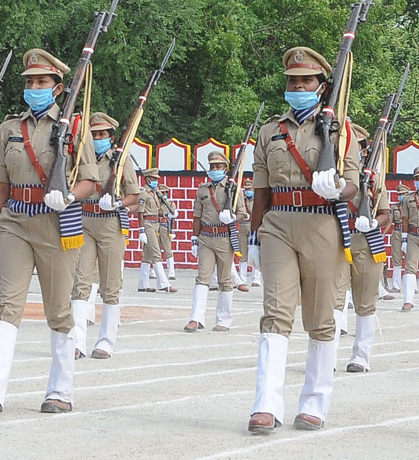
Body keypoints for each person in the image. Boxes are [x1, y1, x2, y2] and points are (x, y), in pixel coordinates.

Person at [0, 48, 98, 415]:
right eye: (30, 82)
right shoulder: (9, 128)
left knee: (58, 310)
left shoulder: (73, 128)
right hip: (15, 222)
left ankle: (61, 390)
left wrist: (67, 196)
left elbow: (91, 181)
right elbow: (0, 186)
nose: (34, 87)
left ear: (58, 87)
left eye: (42, 81)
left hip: (56, 225)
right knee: (8, 303)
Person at [247, 46, 362, 434]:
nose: (297, 86)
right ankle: (265, 404)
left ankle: (314, 403)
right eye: (292, 81)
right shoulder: (269, 131)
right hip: (278, 223)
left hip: (322, 224)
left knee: (320, 318)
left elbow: (354, 187)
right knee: (275, 313)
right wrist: (254, 233)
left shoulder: (340, 129)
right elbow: (261, 189)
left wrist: (337, 187)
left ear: (321, 85)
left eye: (306, 81)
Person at [70, 112, 139, 358]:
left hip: (110, 223)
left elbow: (135, 195)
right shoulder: (80, 157)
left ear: (111, 137)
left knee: (110, 285)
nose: (98, 138)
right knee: (81, 283)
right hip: (84, 221)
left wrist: (118, 203)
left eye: (102, 134)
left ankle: (106, 341)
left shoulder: (121, 161)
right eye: (94, 134)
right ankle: (77, 341)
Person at [340, 124, 390, 372]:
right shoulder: (332, 174)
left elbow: (386, 214)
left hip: (365, 242)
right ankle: (326, 354)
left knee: (365, 302)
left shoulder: (373, 179)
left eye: (357, 147)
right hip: (335, 240)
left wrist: (372, 222)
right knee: (332, 300)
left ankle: (361, 355)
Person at [184, 152, 244, 333]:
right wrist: (194, 238)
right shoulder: (203, 189)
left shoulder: (234, 189)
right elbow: (197, 216)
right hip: (206, 237)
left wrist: (233, 217)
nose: (215, 169)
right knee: (202, 277)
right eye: (212, 166)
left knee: (225, 280)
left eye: (219, 166)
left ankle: (224, 319)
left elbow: (243, 212)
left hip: (224, 237)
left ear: (226, 169)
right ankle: (196, 318)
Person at [136, 170, 176, 293]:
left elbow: (156, 210)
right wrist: (141, 229)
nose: (156, 181)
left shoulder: (154, 193)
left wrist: (165, 214)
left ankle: (143, 284)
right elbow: (141, 212)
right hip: (148, 225)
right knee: (156, 253)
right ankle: (163, 283)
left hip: (156, 224)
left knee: (148, 256)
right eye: (153, 179)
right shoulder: (144, 194)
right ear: (147, 179)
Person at [401, 170, 419, 311]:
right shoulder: (408, 198)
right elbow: (405, 219)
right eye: (417, 178)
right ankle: (408, 300)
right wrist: (404, 238)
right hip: (413, 235)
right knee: (410, 267)